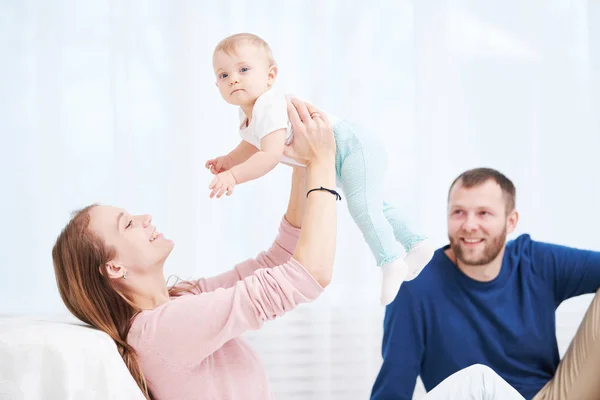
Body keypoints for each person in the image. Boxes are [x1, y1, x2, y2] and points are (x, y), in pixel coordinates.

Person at [52, 99, 339, 400]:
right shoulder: (161, 331)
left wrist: (301, 166)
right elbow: (309, 275)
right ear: (114, 267)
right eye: (127, 224)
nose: (144, 218)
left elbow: (278, 260)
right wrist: (322, 162)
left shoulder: (181, 299)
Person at [206, 32, 434, 305]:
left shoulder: (268, 104)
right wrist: (229, 160)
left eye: (243, 69)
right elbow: (253, 143)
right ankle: (417, 243)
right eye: (223, 75)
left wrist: (234, 175)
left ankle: (390, 262)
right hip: (342, 154)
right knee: (373, 205)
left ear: (270, 75)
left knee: (363, 208)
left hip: (352, 146)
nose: (233, 79)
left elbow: (269, 154)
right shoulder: (248, 113)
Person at [371, 167, 600, 400]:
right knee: (479, 379)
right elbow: (393, 388)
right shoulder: (414, 285)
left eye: (483, 213)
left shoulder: (536, 262)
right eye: (458, 212)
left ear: (511, 222)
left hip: (550, 395)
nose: (469, 225)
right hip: (476, 395)